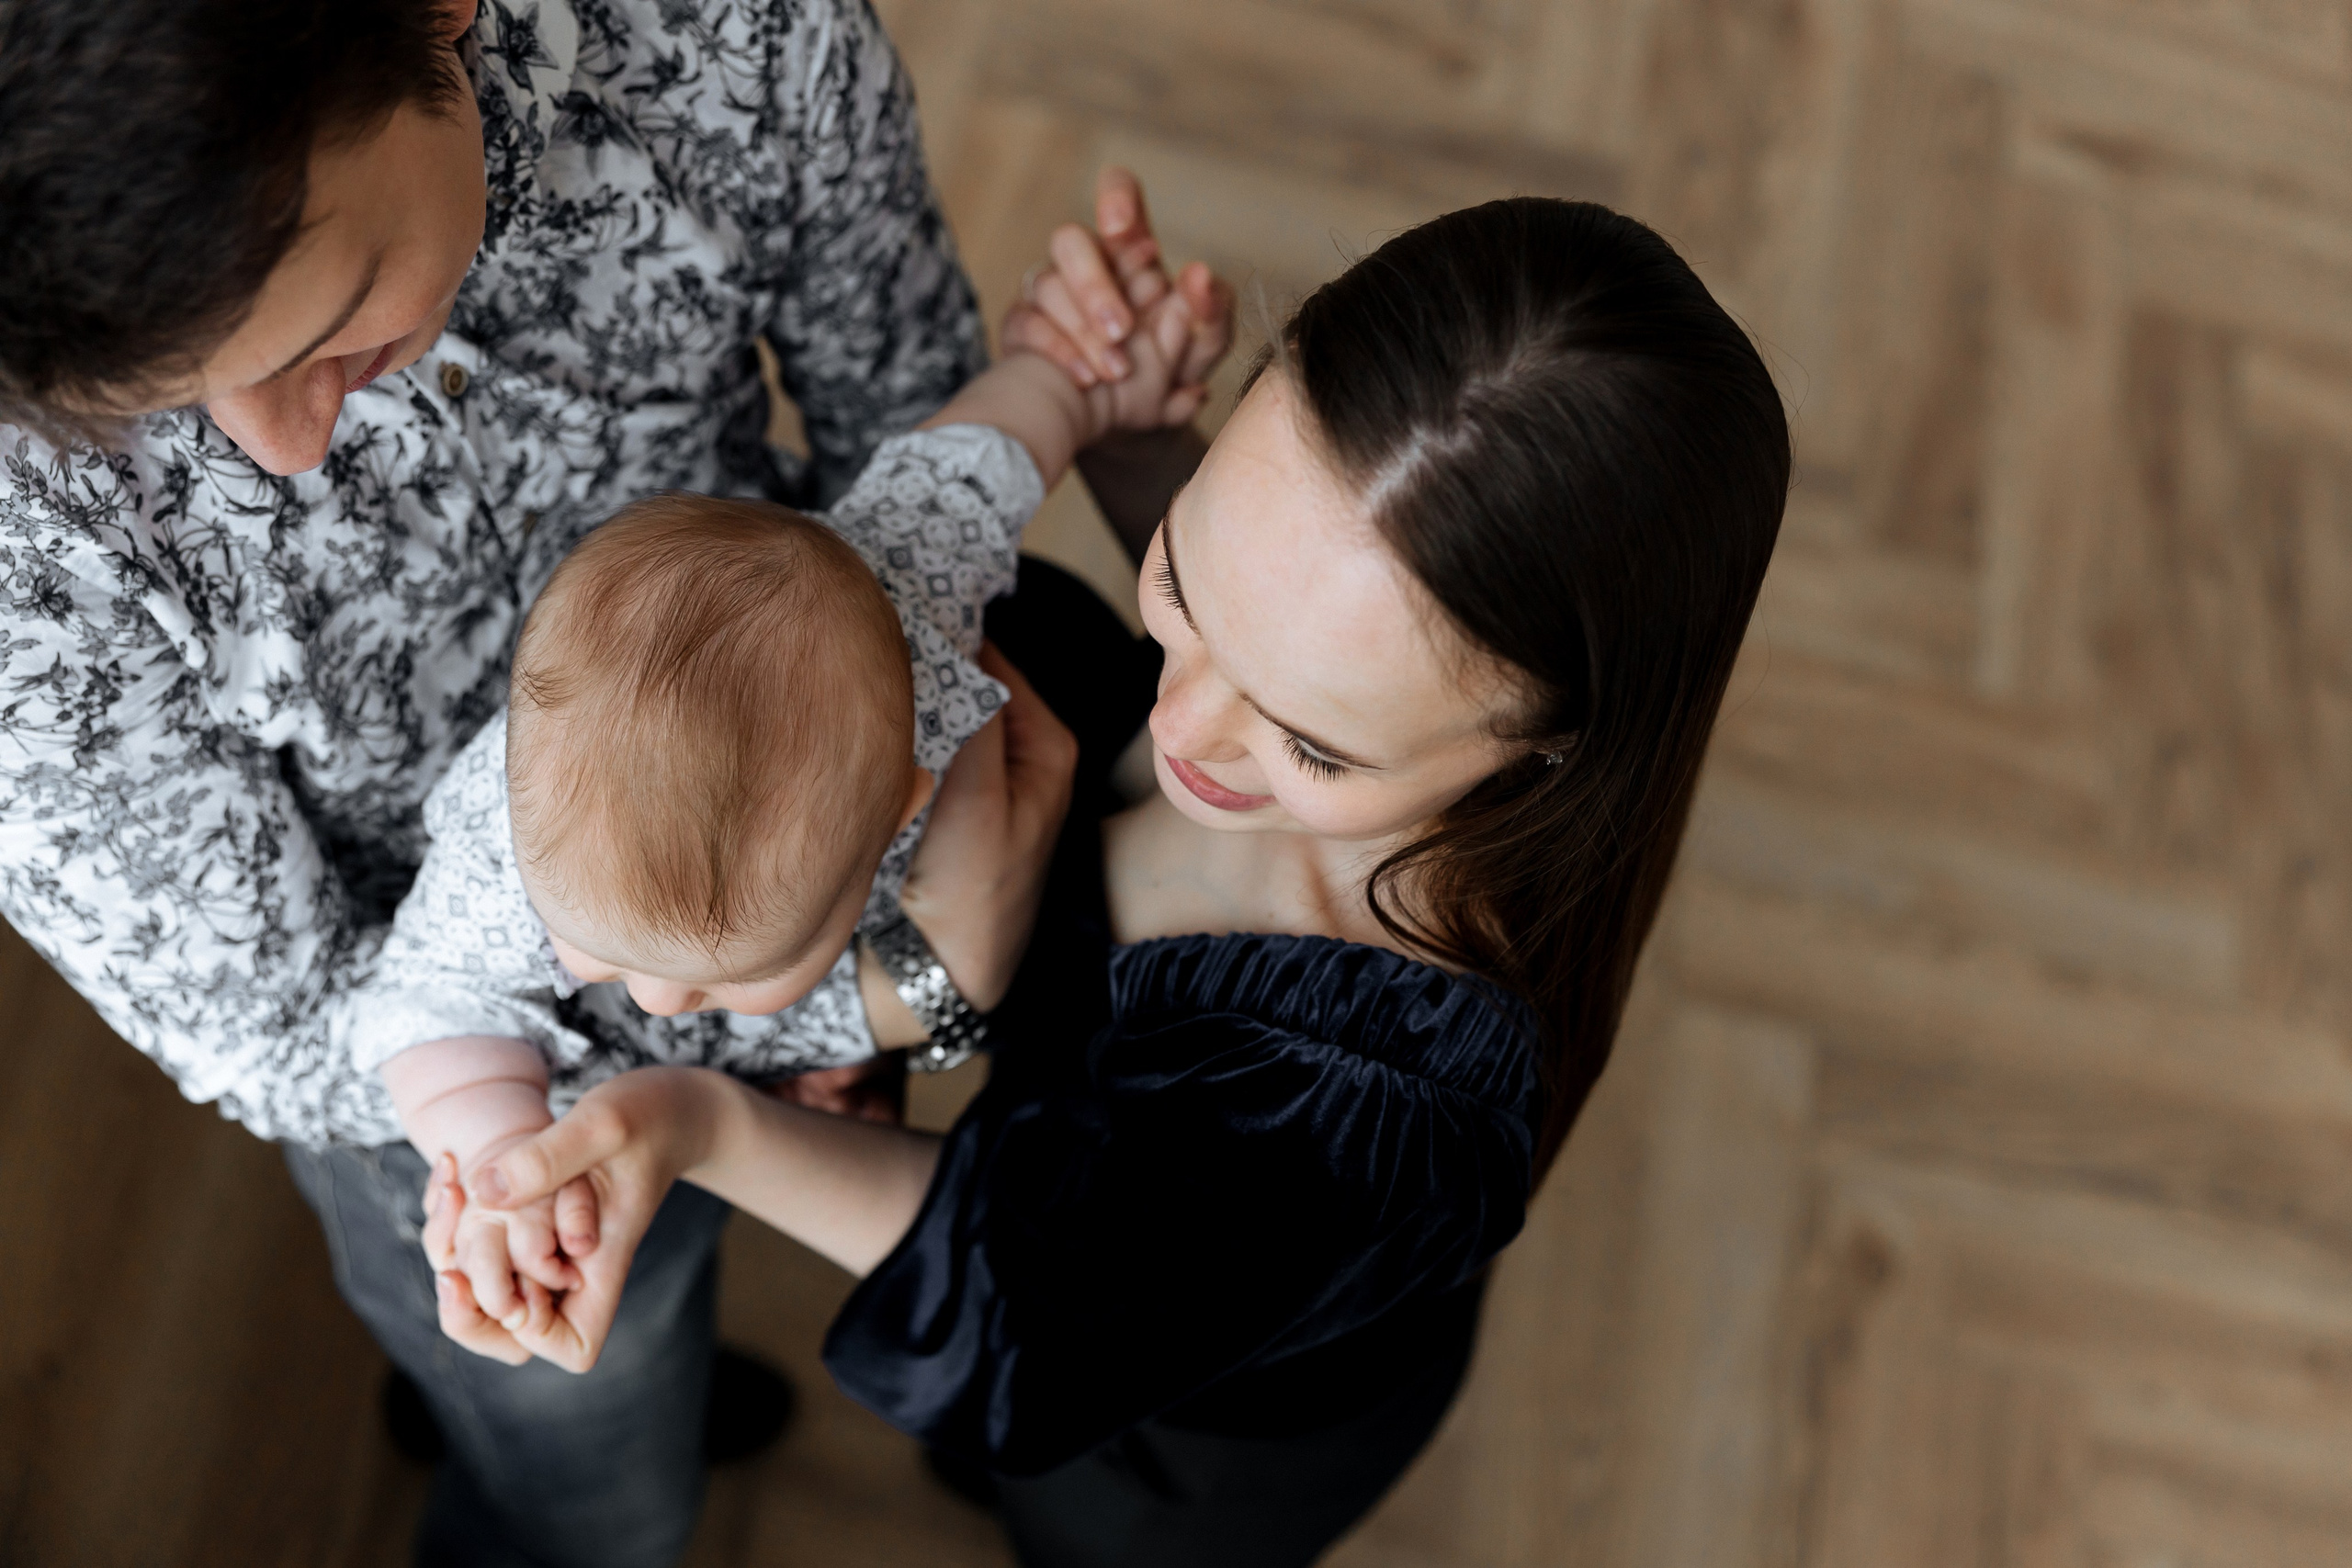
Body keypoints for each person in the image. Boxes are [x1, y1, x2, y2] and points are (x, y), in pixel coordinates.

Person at [0, 1, 1225, 1562]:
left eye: (335, 321)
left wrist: (1079, 373)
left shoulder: (731, 49)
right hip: (485, 1107)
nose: (286, 448)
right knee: (593, 1482)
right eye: (160, 401)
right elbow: (349, 1023)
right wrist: (874, 995)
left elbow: (944, 452)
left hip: (817, 834)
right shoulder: (488, 880)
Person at [448, 195, 1794, 1565]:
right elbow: (1306, 618)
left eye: (1314, 743)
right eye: (1183, 584)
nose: (1181, 724)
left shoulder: (1362, 1108)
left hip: (1168, 1438)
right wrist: (1139, 441)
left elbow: (1024, 1299)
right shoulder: (1309, 659)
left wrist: (700, 1125)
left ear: (1551, 747)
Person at [356, 324, 1197, 1360]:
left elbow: (986, 451)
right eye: (604, 955)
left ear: (906, 807)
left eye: (733, 974)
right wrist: (497, 1142)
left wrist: (1082, 377)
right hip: (689, 1085)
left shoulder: (917, 566)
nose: (656, 1003)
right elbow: (427, 1003)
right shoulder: (510, 855)